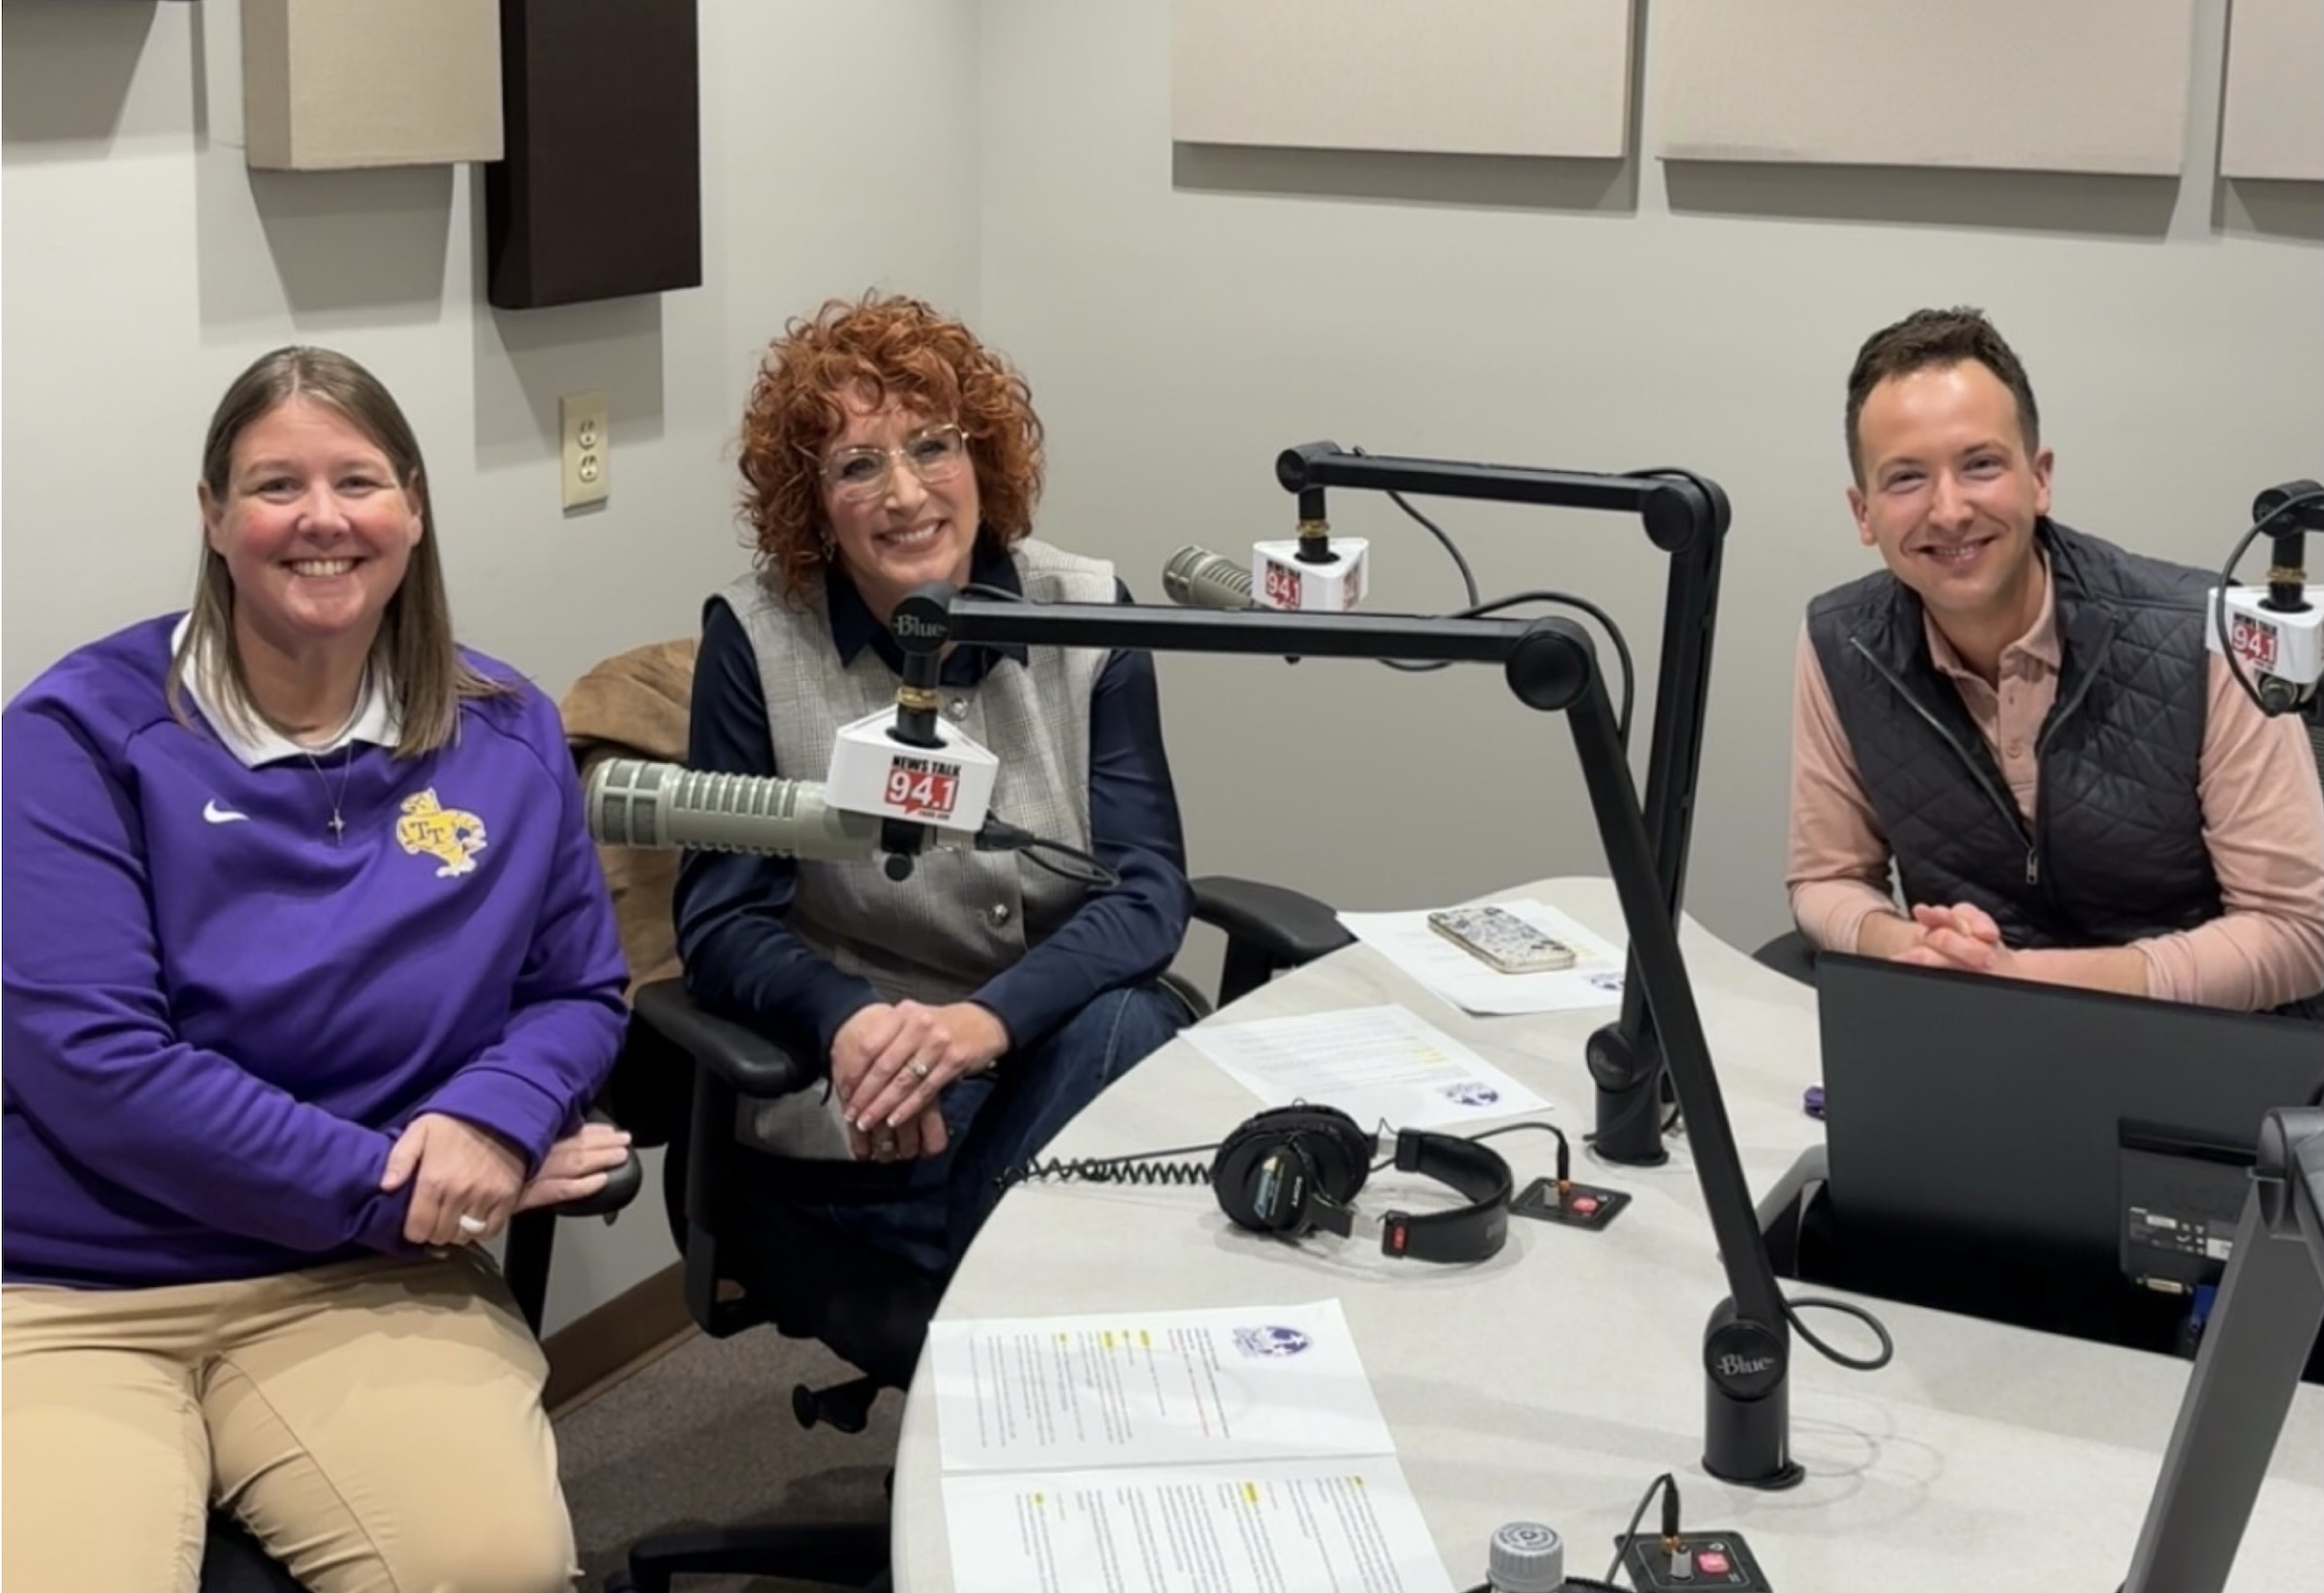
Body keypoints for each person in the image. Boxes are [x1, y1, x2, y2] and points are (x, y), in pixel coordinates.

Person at [1, 347, 632, 1592]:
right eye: (276, 484)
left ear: (412, 507)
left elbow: (576, 988)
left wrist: (493, 1117)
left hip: (356, 1282)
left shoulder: (505, 729)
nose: (323, 518)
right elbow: (102, 1070)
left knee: (492, 1569)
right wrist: (408, 1185)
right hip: (76, 1286)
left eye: (358, 480)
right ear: (214, 517)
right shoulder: (74, 738)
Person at [676, 292, 1194, 1279]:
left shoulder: (1084, 610)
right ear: (814, 505)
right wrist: (853, 1021)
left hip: (1051, 1054)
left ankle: (992, 1307)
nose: (905, 494)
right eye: (857, 465)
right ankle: (1013, 1314)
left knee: (1132, 1021)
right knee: (1123, 1241)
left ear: (983, 461)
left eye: (932, 446)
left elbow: (1146, 889)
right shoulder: (754, 639)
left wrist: (980, 1025)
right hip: (867, 1107)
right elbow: (721, 920)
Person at [1787, 305, 2324, 1015]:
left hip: (2192, 1042)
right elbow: (1824, 879)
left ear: (2038, 479)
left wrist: (2026, 979)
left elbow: (2298, 932)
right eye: (1906, 479)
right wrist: (1911, 951)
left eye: (1979, 465)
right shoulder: (1839, 641)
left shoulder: (2208, 636)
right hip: (1969, 1031)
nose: (1947, 511)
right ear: (1863, 513)